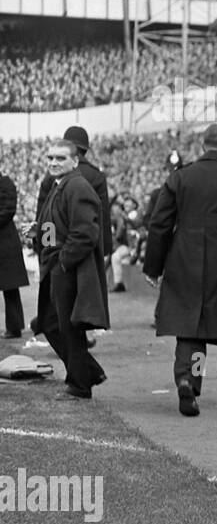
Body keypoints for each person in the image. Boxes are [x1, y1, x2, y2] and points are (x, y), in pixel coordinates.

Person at [143, 123, 217, 416]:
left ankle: (189, 381)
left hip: (185, 259)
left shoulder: (180, 177)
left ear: (203, 146)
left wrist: (153, 267)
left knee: (191, 328)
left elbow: (159, 225)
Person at [31, 139, 108, 398]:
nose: (53, 162)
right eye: (50, 157)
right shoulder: (60, 185)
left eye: (60, 158)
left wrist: (64, 262)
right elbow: (58, 226)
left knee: (66, 327)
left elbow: (86, 232)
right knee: (51, 323)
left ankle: (79, 385)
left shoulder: (77, 186)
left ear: (75, 161)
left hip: (69, 268)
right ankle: (89, 372)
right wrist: (38, 231)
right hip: (58, 266)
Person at [34, 126, 111, 260]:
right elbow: (102, 217)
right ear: (85, 149)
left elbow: (45, 217)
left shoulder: (51, 175)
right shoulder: (97, 176)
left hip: (56, 249)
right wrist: (104, 250)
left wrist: (46, 249)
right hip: (88, 250)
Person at [0, 166, 28, 338]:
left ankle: (14, 327)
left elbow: (7, 211)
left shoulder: (5, 183)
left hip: (5, 243)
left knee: (10, 289)